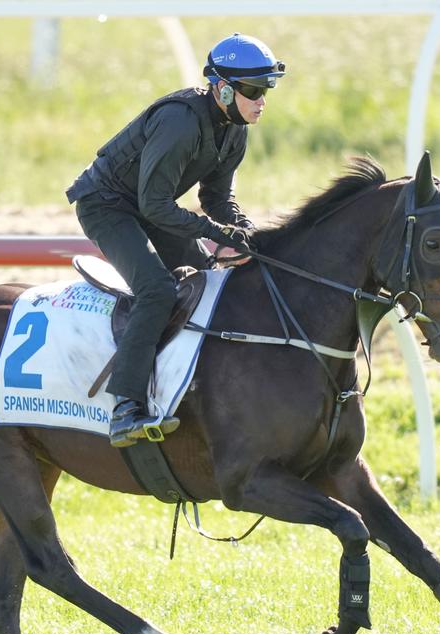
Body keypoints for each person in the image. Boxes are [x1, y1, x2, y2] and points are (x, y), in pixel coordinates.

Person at [65, 33, 286, 448]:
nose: (262, 101)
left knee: (206, 280)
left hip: (149, 205)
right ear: (222, 88)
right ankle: (126, 408)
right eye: (254, 90)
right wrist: (216, 234)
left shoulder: (234, 130)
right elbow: (155, 206)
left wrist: (248, 233)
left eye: (266, 89)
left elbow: (216, 199)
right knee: (157, 289)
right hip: (106, 206)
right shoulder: (180, 121)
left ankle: (198, 388)